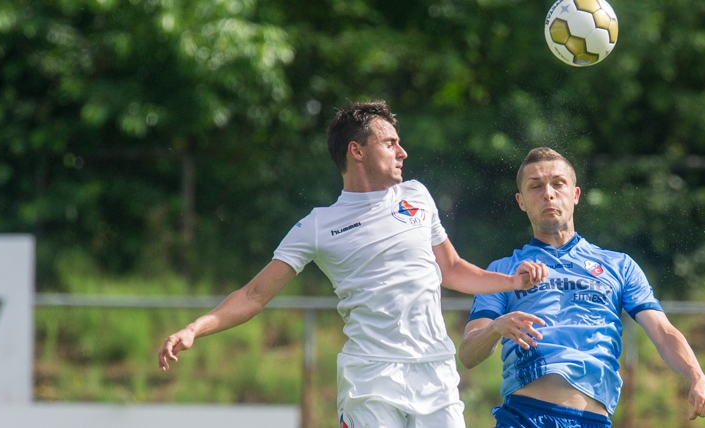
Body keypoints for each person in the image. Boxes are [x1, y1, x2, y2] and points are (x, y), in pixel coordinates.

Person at [157, 100, 549, 428]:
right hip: (370, 377)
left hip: (436, 372)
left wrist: (511, 282)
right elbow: (253, 295)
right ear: (356, 151)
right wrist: (195, 328)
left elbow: (452, 269)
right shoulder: (317, 225)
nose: (403, 152)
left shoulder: (416, 195)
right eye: (391, 143)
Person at [459, 147, 705, 427]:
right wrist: (497, 327)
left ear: (576, 194)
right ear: (521, 202)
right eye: (535, 186)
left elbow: (663, 331)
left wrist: (697, 376)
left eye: (558, 184)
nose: (548, 193)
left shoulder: (619, 266)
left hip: (591, 420)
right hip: (524, 417)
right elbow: (468, 354)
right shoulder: (504, 270)